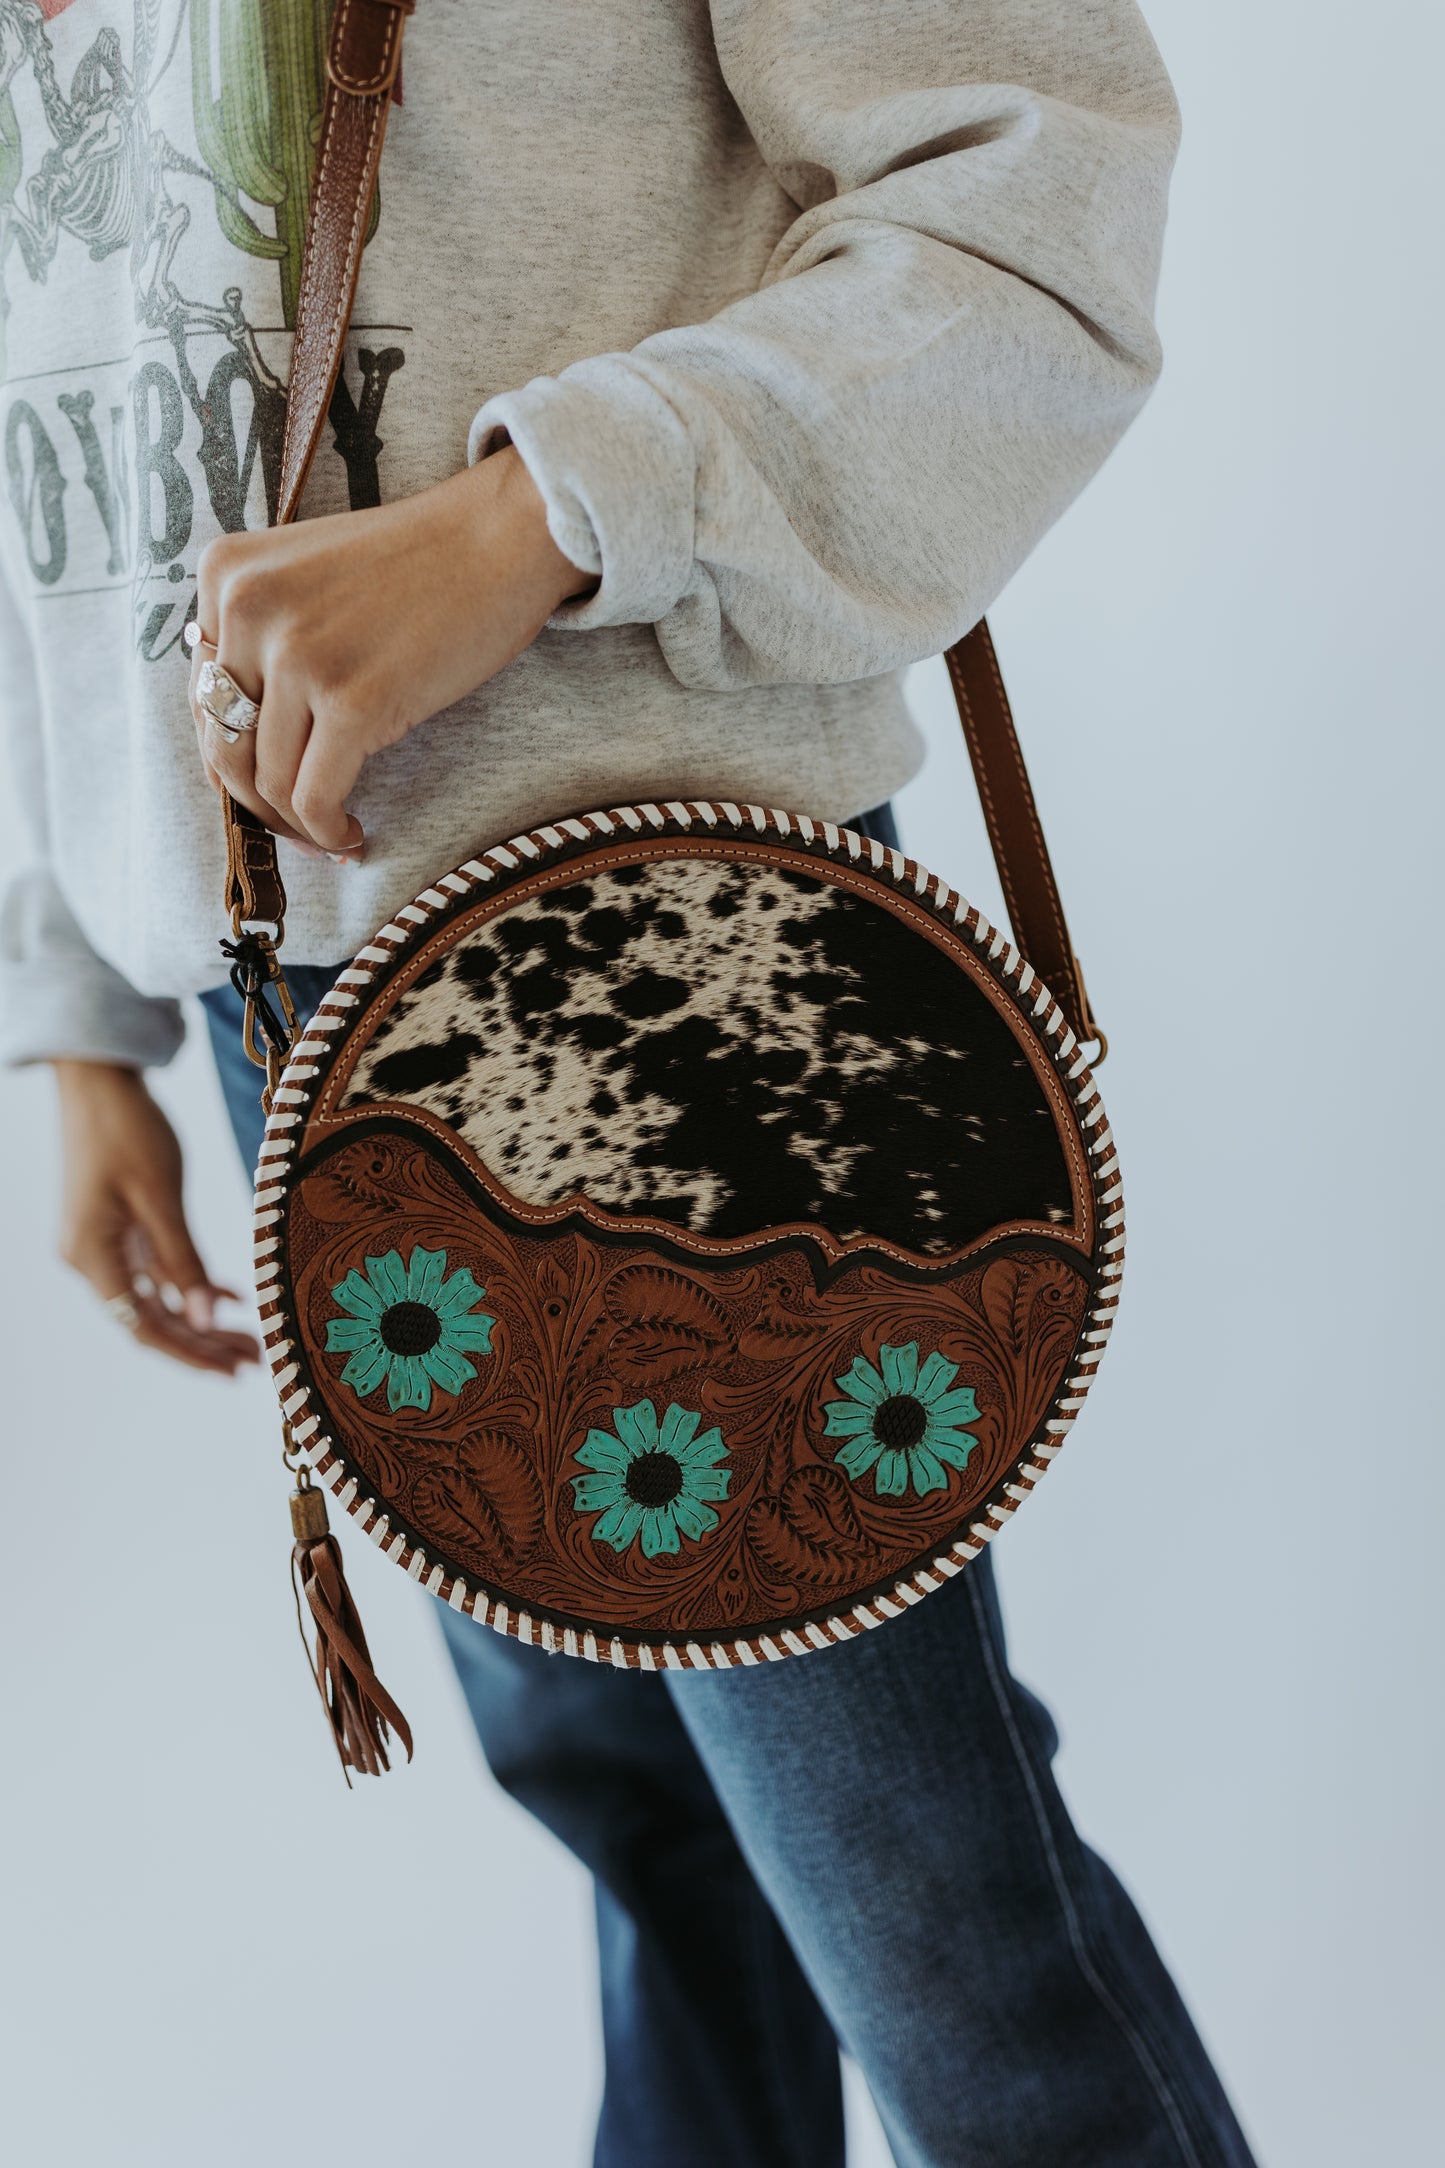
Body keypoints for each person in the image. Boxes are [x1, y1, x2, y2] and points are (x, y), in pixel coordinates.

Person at [0, 3, 1256, 2161]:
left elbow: (1040, 198)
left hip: (669, 994)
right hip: (269, 1000)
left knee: (923, 1911)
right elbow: (71, 417)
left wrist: (537, 519)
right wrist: (75, 1003)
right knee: (636, 1815)